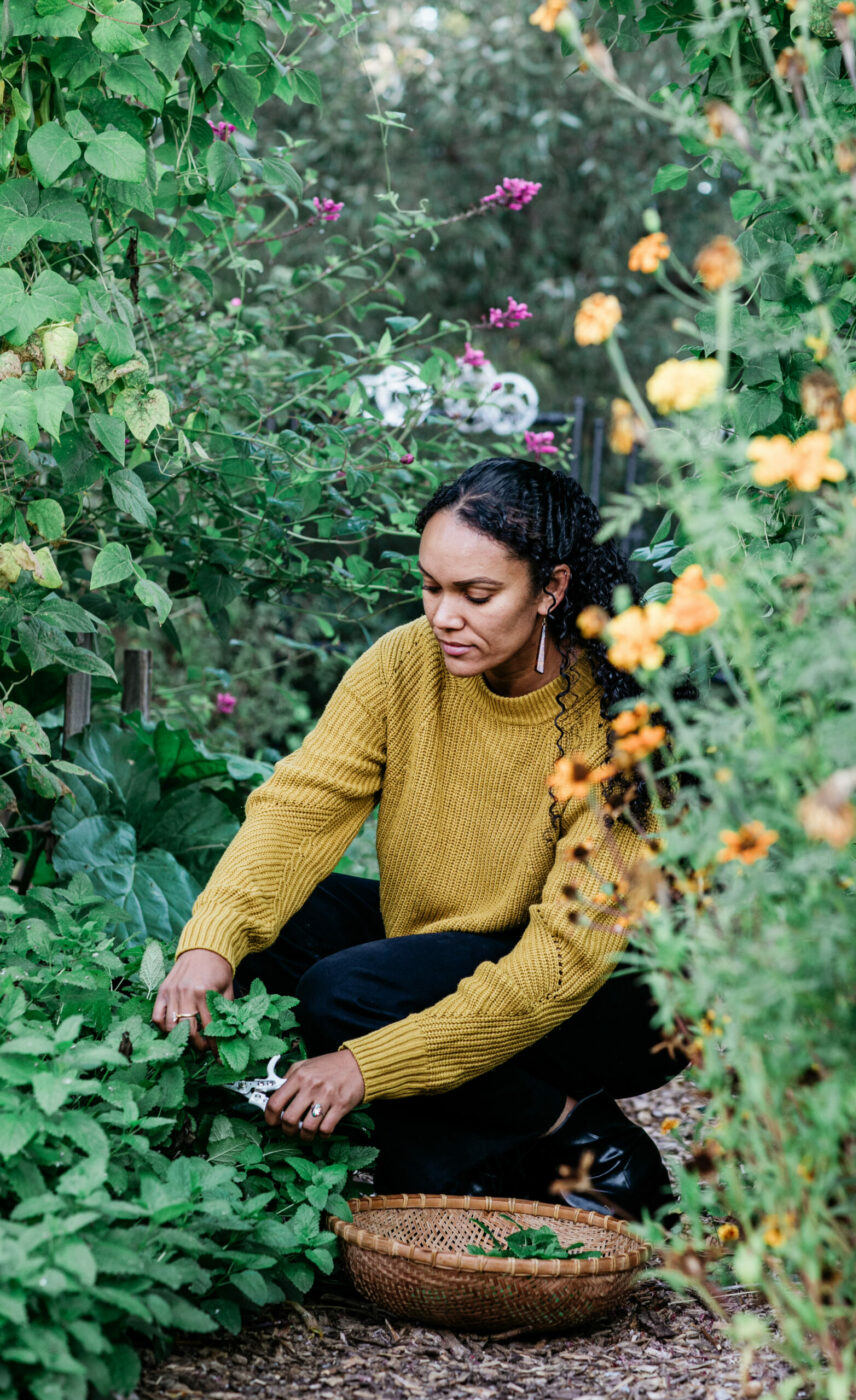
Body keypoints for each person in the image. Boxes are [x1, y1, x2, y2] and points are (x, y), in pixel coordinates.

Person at [152, 457, 688, 1221]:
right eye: (431, 586)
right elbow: (300, 805)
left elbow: (560, 963)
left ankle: (576, 1128)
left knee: (347, 999)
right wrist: (209, 944)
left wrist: (365, 1066)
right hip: (449, 937)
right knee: (267, 940)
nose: (443, 616)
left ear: (552, 590)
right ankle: (471, 1152)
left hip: (608, 993)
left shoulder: (618, 720)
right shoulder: (406, 663)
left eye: (477, 595)